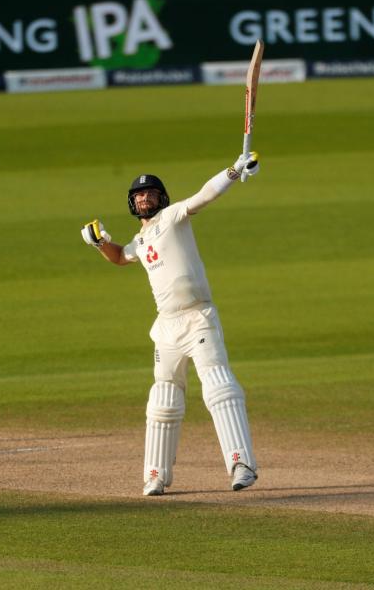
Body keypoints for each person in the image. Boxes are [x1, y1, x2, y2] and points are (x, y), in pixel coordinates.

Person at [80, 152, 261, 496]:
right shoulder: (140, 241)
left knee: (219, 388)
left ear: (161, 197)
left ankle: (242, 465)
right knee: (163, 399)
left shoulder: (174, 215)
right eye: (138, 195)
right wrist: (100, 242)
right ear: (133, 204)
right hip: (167, 326)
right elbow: (120, 257)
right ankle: (156, 476)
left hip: (199, 318)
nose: (143, 198)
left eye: (149, 193)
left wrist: (234, 170)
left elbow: (205, 195)